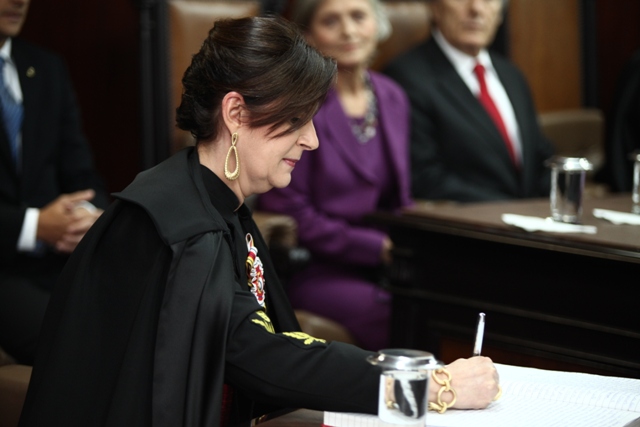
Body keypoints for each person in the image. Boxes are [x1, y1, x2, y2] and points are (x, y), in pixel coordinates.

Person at [19, 16, 500, 427]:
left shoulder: (204, 197)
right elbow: (261, 357)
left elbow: (273, 342)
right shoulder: (186, 226)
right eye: (297, 119)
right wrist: (432, 386)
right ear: (235, 112)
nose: (311, 141)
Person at [258, 0, 412, 351]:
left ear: (378, 24)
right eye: (331, 20)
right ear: (309, 36)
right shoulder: (298, 104)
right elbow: (290, 212)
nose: (348, 30)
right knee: (398, 313)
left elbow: (402, 199)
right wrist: (375, 247)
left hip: (392, 264)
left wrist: (410, 245)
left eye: (358, 16)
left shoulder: (393, 97)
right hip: (318, 269)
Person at [0, 0, 107, 365]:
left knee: (146, 310)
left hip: (58, 258)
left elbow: (80, 172)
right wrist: (34, 225)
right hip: (5, 269)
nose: (19, 1)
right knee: (79, 344)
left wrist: (89, 216)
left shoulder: (45, 67)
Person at [383, 0, 554, 202]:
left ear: (499, 14)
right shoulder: (406, 78)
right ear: (435, 8)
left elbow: (540, 157)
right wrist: (510, 211)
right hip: (466, 225)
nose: (476, 9)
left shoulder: (512, 76)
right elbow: (425, 177)